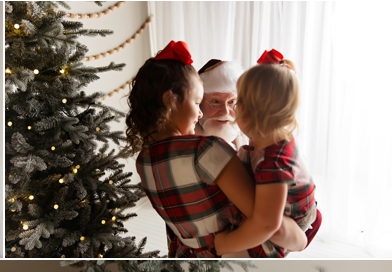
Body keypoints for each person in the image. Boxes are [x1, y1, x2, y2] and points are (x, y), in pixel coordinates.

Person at [127, 41, 306, 258]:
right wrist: (302, 240)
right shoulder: (206, 150)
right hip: (240, 252)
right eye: (197, 102)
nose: (200, 114)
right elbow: (268, 223)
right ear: (171, 101)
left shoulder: (143, 161)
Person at [230, 50, 322, 252]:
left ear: (251, 111)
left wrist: (225, 243)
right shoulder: (274, 135)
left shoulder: (273, 163)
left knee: (262, 227)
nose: (233, 109)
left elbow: (267, 224)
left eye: (237, 102)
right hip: (305, 204)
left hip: (296, 220)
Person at [195, 59, 248, 148]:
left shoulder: (248, 138)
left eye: (231, 102)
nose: (225, 112)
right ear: (200, 103)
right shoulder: (188, 141)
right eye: (216, 102)